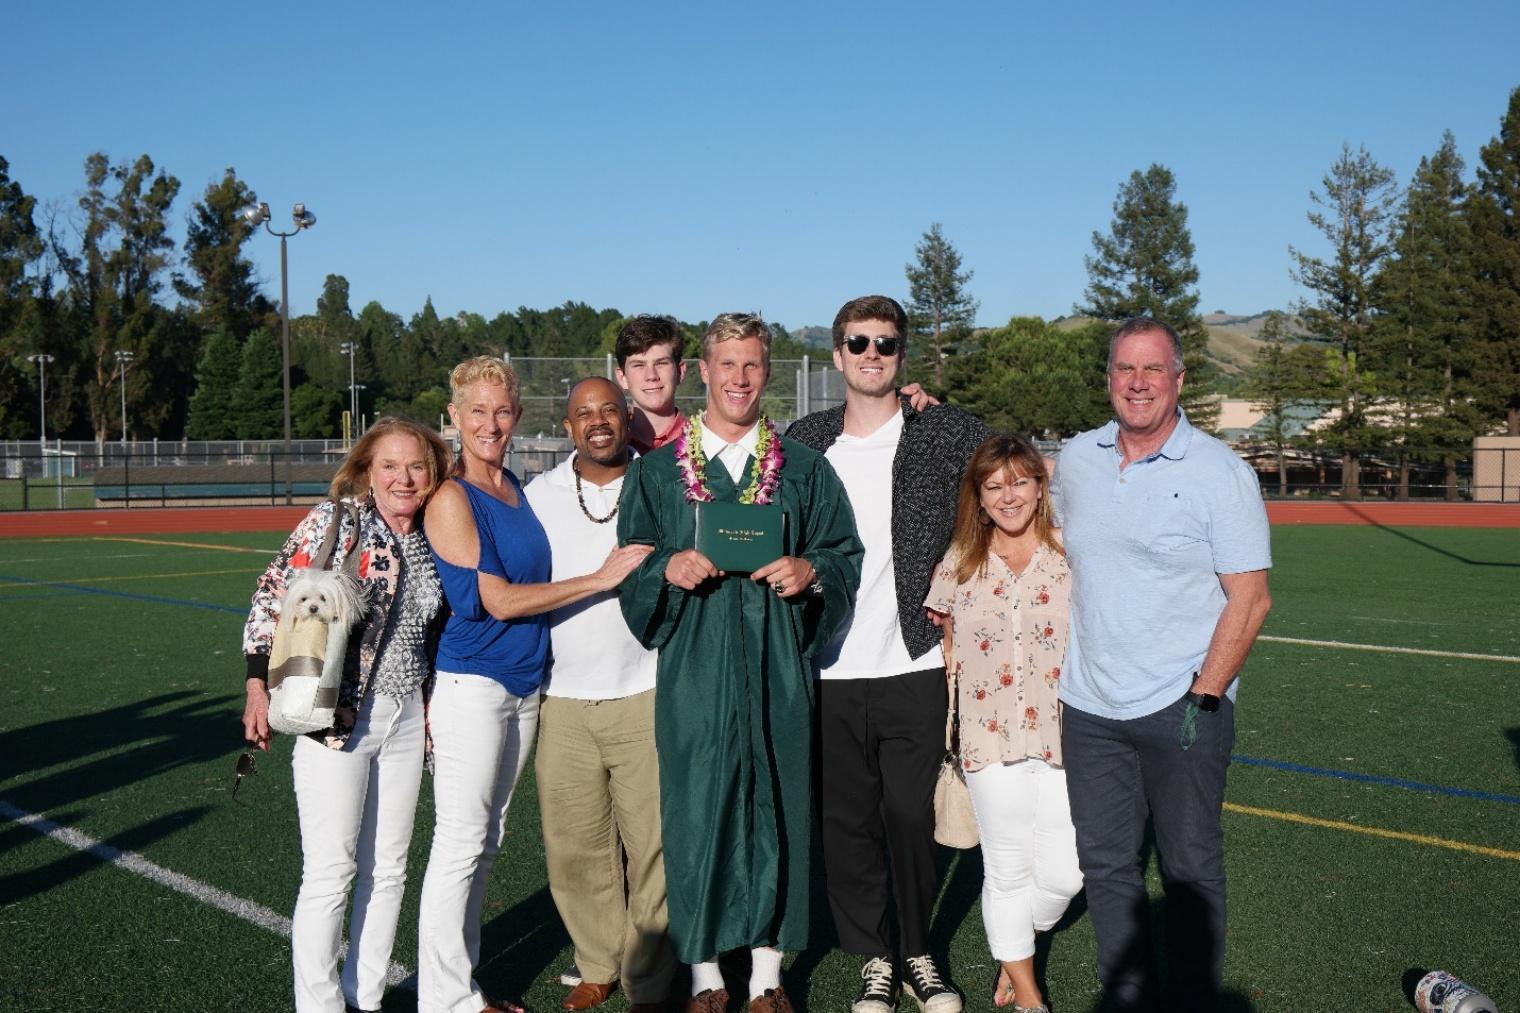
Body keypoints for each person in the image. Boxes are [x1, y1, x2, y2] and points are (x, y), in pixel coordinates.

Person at [617, 313, 864, 1013]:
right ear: (703, 371)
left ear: (768, 372)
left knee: (777, 807)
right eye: (726, 364)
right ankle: (704, 980)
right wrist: (668, 567)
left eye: (753, 364)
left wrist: (809, 572)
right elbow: (631, 566)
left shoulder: (806, 472)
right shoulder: (661, 475)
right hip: (694, 675)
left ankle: (765, 978)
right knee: (697, 813)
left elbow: (843, 555)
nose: (739, 378)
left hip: (777, 670)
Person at [1051, 318, 1272, 1011]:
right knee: (1108, 865)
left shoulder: (1219, 473)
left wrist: (1203, 697)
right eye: (1124, 369)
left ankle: (1194, 999)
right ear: (1109, 378)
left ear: (1179, 379)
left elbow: (1251, 598)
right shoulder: (1078, 458)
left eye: (1153, 370)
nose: (1137, 383)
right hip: (1090, 707)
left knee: (1189, 867)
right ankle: (1128, 996)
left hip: (1182, 704)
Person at [419, 356, 651, 1013]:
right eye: (476, 412)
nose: (490, 423)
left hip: (525, 687)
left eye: (501, 410)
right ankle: (447, 999)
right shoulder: (453, 495)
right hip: (473, 686)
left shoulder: (517, 489)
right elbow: (495, 599)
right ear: (456, 417)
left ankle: (464, 986)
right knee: (460, 843)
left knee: (487, 843)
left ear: (517, 415)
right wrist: (598, 580)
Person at [786, 294, 987, 1013]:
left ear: (903, 357)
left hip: (915, 659)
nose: (873, 354)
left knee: (909, 814)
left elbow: (1013, 476)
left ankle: (918, 951)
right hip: (828, 666)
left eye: (887, 344)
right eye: (858, 343)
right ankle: (875, 956)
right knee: (848, 822)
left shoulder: (944, 429)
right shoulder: (803, 440)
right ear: (837, 354)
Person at [241, 416, 453, 1013]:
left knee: (388, 871)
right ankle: (320, 1005)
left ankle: (366, 996)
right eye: (390, 465)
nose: (404, 478)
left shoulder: (435, 532)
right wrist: (257, 686)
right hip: (336, 719)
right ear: (367, 471)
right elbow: (268, 596)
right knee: (332, 871)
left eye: (417, 465)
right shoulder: (337, 520)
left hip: (407, 716)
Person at [523, 377, 674, 1013]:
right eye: (583, 413)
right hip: (564, 698)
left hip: (646, 690)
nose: (598, 421)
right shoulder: (539, 495)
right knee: (574, 846)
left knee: (655, 847)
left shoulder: (662, 482)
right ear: (568, 427)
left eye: (608, 409)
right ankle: (597, 961)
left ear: (627, 416)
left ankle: (648, 975)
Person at [925, 434, 1084, 1013]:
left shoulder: (1072, 555)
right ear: (980, 497)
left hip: (1062, 733)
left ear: (1040, 487)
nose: (1008, 496)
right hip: (988, 737)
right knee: (1007, 868)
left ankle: (1016, 947)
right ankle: (1027, 992)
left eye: (1020, 481)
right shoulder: (959, 561)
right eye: (995, 487)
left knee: (1067, 872)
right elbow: (946, 650)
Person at [615, 314, 688, 455]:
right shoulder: (610, 447)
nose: (651, 376)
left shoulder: (706, 442)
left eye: (661, 363)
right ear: (622, 377)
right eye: (639, 365)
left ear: (680, 372)